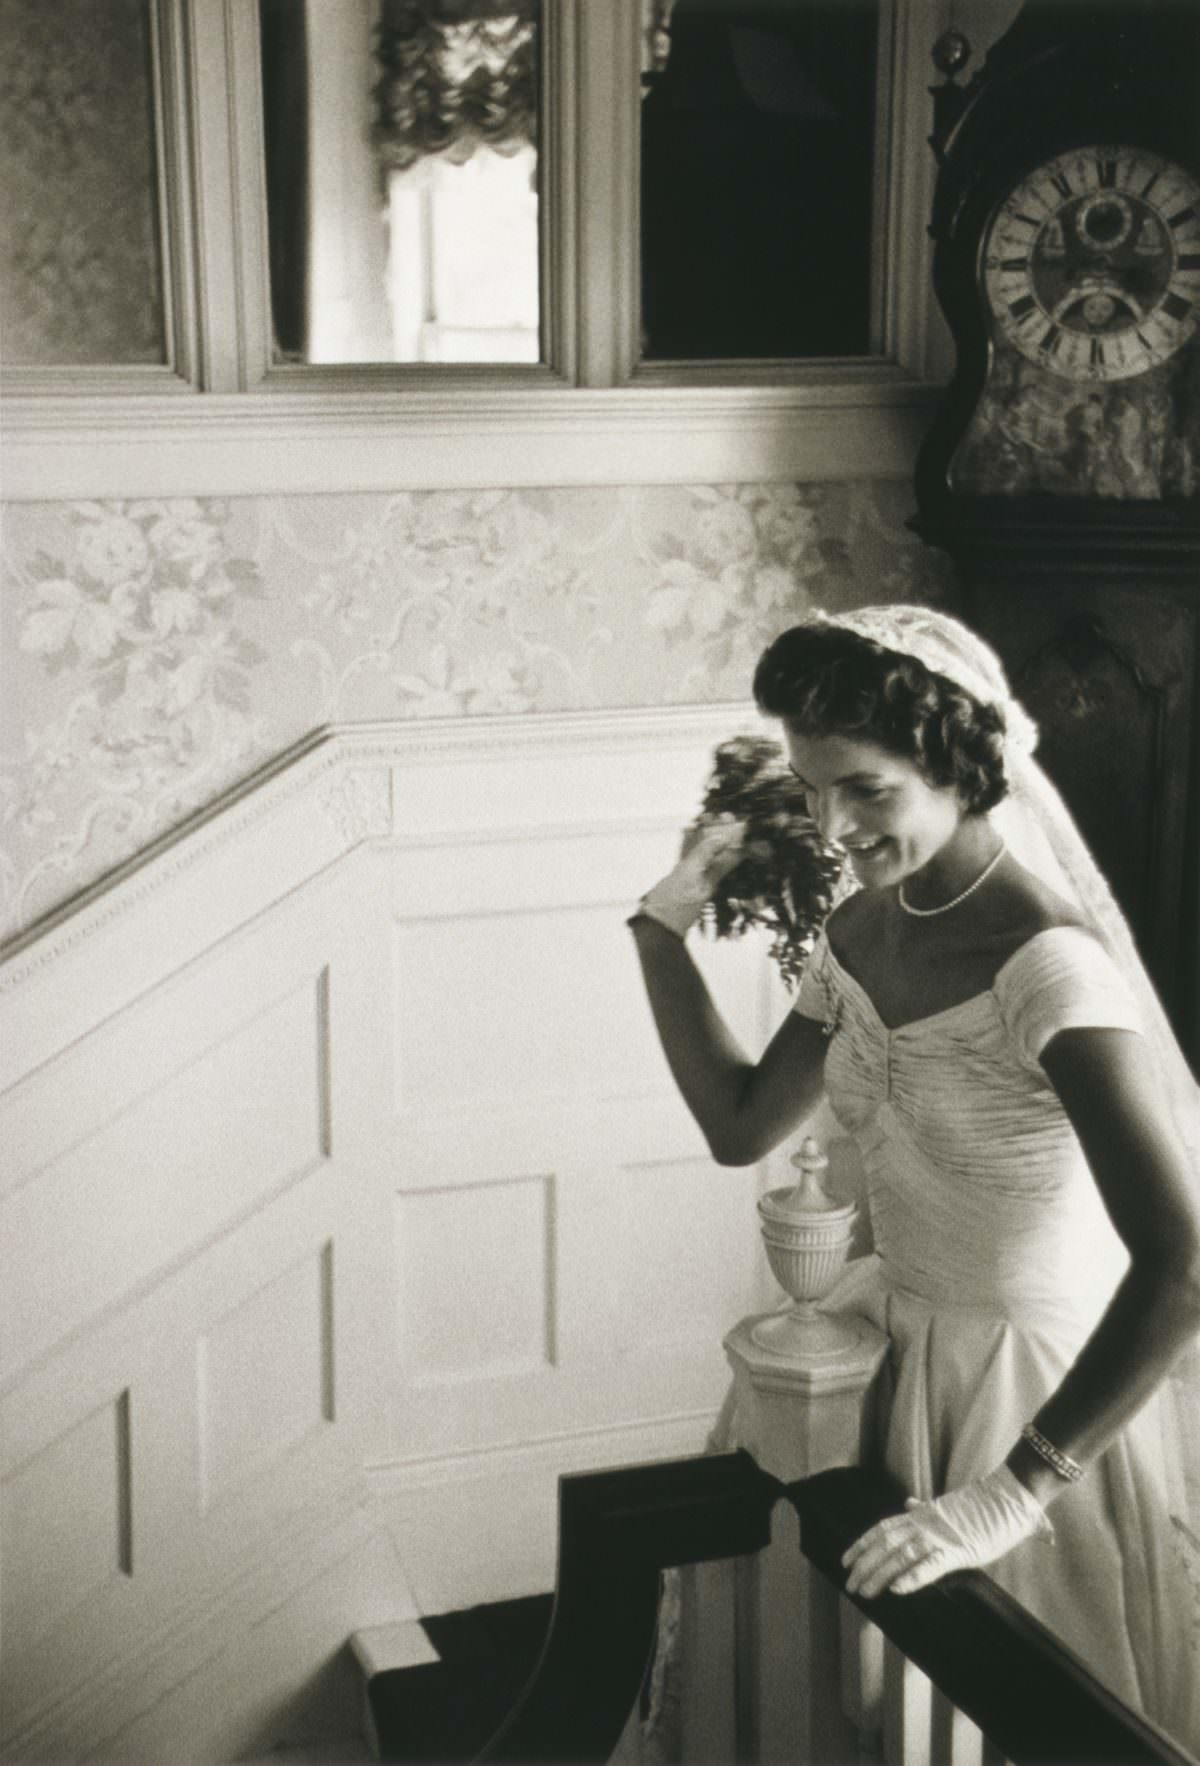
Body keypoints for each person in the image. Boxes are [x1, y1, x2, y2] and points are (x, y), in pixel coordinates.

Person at [627, 605, 1200, 1745]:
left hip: (1029, 1390)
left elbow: (1184, 1265)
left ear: (960, 763)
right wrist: (660, 926)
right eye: (813, 786)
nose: (835, 823)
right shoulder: (859, 931)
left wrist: (1015, 1489)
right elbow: (741, 1123)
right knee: (849, 1707)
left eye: (868, 789)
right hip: (885, 1348)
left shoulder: (1044, 963)